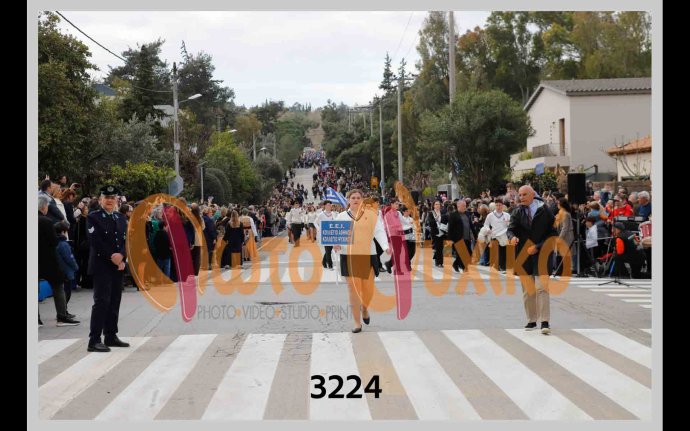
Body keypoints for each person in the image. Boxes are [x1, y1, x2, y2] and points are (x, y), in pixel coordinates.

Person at [333, 189, 390, 333]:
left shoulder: (371, 216)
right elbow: (335, 235)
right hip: (349, 256)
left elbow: (379, 231)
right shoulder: (341, 217)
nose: (356, 200)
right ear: (348, 200)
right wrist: (336, 244)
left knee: (368, 290)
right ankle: (357, 322)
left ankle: (364, 308)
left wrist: (385, 246)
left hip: (368, 255)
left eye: (358, 197)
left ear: (362, 200)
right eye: (353, 197)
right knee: (353, 290)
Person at [507, 185, 556, 335]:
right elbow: (510, 229)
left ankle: (545, 321)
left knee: (542, 287)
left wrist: (538, 246)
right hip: (523, 254)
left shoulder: (545, 210)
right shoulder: (517, 211)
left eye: (524, 194)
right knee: (528, 290)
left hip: (542, 253)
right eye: (520, 195)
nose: (521, 197)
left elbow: (553, 234)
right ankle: (531, 320)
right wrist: (512, 237)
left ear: (533, 195)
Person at [86, 185, 129, 352]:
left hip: (117, 266)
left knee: (114, 300)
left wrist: (122, 257)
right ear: (101, 199)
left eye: (112, 197)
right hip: (101, 265)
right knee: (101, 302)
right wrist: (113, 256)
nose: (110, 200)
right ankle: (94, 340)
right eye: (107, 197)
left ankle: (111, 335)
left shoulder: (120, 217)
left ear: (117, 199)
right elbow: (95, 241)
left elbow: (126, 241)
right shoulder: (93, 217)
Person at [39, 196, 79, 327]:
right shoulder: (46, 221)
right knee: (58, 286)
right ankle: (62, 316)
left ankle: (36, 319)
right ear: (43, 207)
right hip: (47, 260)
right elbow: (53, 241)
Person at [315, 200, 336, 270]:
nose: (329, 206)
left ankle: (324, 262)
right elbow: (315, 222)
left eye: (330, 205)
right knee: (327, 249)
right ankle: (330, 265)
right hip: (325, 234)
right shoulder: (321, 214)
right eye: (328, 205)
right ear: (324, 206)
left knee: (329, 249)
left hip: (332, 234)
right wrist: (319, 229)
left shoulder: (334, 214)